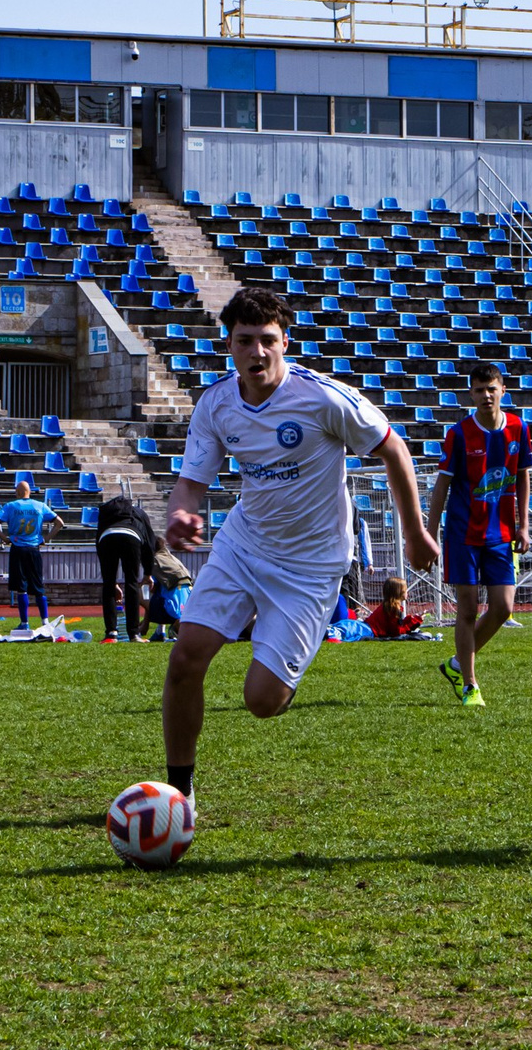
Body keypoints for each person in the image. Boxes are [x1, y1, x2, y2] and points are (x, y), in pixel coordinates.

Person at [160, 285, 435, 808]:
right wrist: (179, 511)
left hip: (312, 566)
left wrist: (414, 530)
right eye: (245, 341)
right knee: (185, 656)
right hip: (244, 545)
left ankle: (285, 652)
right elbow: (192, 482)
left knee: (262, 702)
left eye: (267, 340)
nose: (256, 352)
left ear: (286, 341)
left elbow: (393, 447)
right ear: (229, 345)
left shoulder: (323, 398)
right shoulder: (216, 404)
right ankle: (178, 793)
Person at [426, 362, 528, 707]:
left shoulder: (518, 428)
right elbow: (442, 485)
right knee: (467, 609)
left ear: (503, 390)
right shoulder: (458, 434)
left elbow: (523, 476)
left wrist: (523, 524)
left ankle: (457, 663)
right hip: (463, 533)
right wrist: (429, 532)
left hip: (500, 532)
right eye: (479, 390)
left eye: (491, 389)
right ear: (471, 394)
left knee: (503, 607)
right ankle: (470, 684)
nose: (486, 395)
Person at [0, 479, 62, 629]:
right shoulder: (40, 506)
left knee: (21, 587)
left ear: (18, 493)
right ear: (29, 492)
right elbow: (60, 522)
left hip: (18, 548)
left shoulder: (11, 506)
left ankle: (24, 623)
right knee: (38, 585)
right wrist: (46, 539)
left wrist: (4, 537)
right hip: (34, 549)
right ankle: (45, 621)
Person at [95, 489, 157, 643]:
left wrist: (113, 582)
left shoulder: (107, 514)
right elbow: (150, 544)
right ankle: (134, 634)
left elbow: (98, 539)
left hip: (106, 538)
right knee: (132, 583)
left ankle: (111, 634)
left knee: (108, 585)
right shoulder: (139, 513)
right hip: (131, 537)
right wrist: (148, 573)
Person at [145, 546, 191, 642]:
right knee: (163, 590)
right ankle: (160, 631)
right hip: (187, 604)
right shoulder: (172, 559)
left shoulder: (155, 560)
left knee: (143, 594)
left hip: (171, 609)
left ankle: (161, 628)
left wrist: (145, 621)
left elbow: (152, 587)